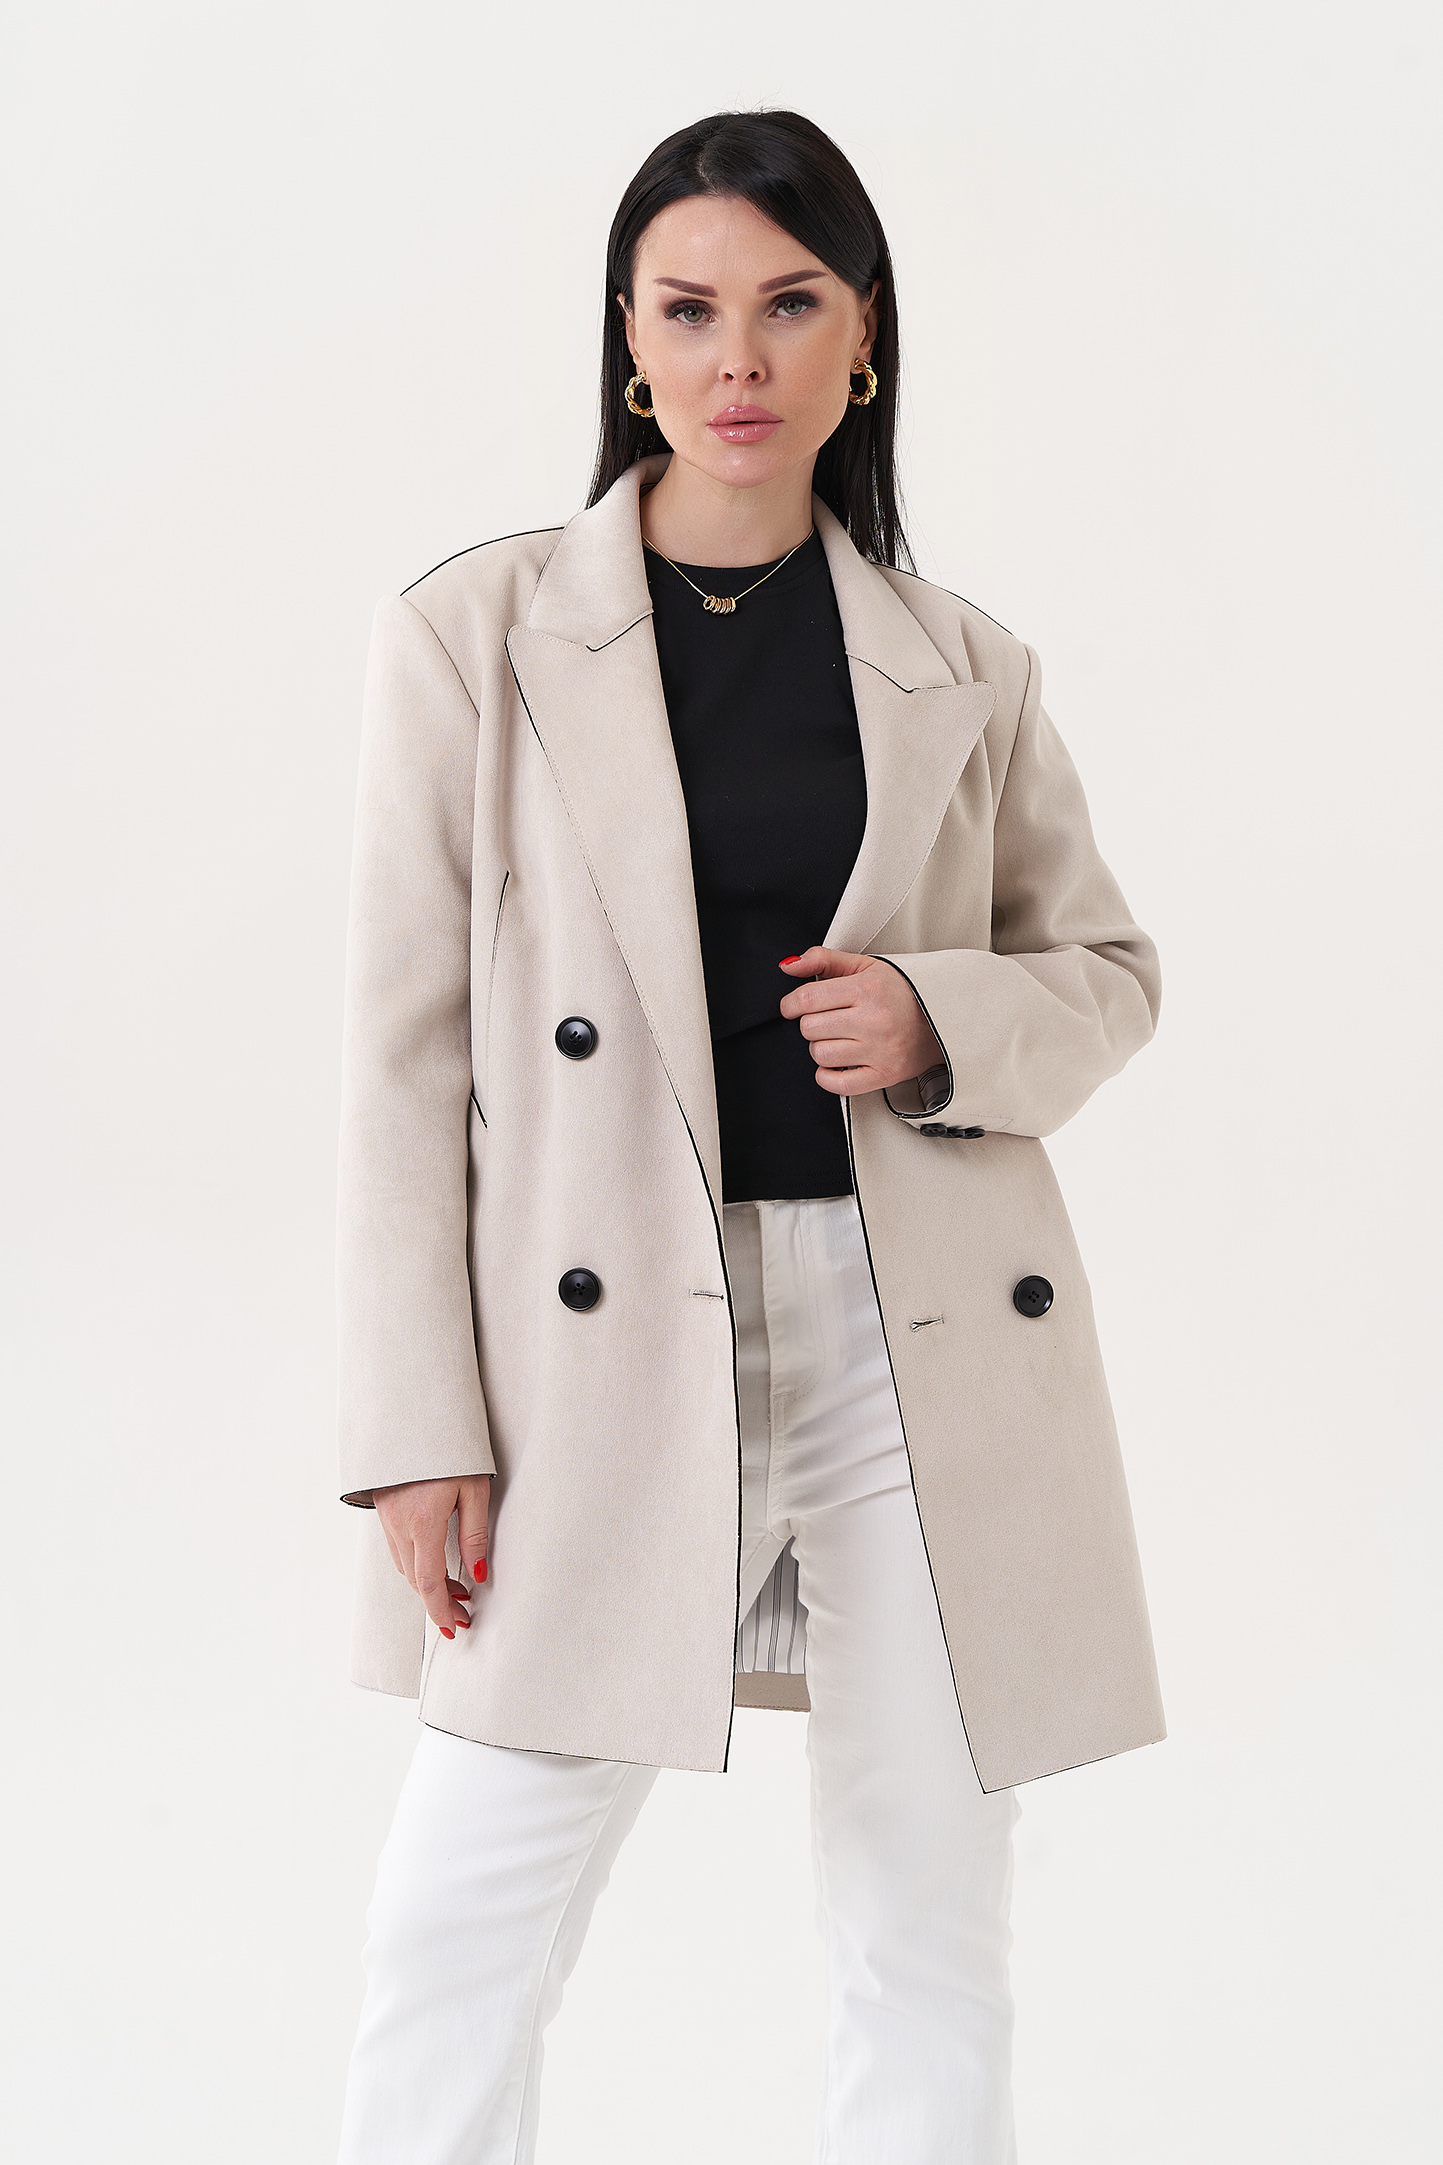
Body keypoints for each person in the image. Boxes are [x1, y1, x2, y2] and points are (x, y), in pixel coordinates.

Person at [334, 107, 1164, 2165]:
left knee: (925, 1918)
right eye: (688, 309)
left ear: (860, 339)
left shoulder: (960, 663)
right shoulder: (474, 637)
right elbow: (400, 1059)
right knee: (459, 1914)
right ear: (627, 341)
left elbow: (1103, 969)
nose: (738, 358)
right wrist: (419, 1422)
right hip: (597, 1336)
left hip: (910, 1332)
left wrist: (941, 1016)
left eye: (789, 306)